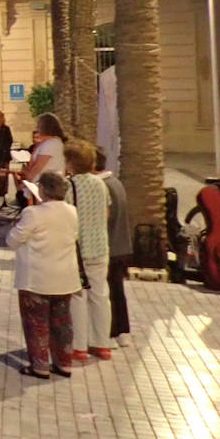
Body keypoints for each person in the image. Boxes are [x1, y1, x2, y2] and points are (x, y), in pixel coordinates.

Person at [6, 172, 81, 379]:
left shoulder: (33, 213)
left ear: (43, 189)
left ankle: (40, 366)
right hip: (64, 277)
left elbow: (12, 240)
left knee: (36, 322)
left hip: (37, 278)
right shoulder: (72, 211)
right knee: (62, 322)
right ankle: (64, 364)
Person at [65, 139, 112, 362]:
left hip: (78, 249)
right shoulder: (100, 184)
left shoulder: (69, 185)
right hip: (100, 247)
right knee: (101, 295)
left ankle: (79, 346)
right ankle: (102, 344)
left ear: (70, 163)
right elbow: (106, 213)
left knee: (78, 296)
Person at [94, 147, 133, 346]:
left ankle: (111, 331)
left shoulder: (100, 187)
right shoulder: (115, 182)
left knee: (107, 291)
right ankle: (121, 331)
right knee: (117, 290)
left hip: (109, 246)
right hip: (121, 245)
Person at [15, 113, 68, 186]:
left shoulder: (52, 144)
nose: (37, 128)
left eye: (39, 125)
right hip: (40, 184)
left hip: (47, 186)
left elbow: (37, 168)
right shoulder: (45, 143)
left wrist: (27, 173)